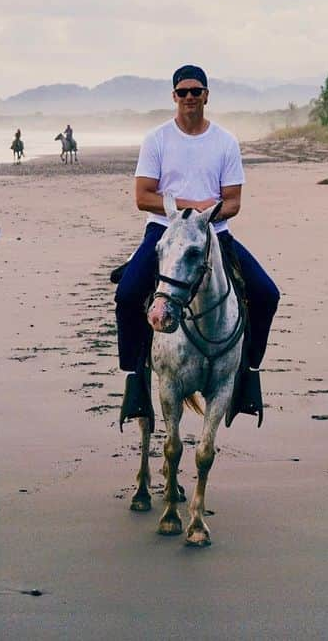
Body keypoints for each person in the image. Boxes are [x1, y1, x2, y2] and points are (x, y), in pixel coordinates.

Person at [115, 65, 280, 425]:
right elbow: (143, 196)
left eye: (196, 91)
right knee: (128, 295)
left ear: (207, 95)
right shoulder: (157, 139)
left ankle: (247, 375)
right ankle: (135, 381)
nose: (190, 97)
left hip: (214, 233)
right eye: (183, 91)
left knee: (267, 294)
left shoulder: (224, 142)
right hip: (165, 232)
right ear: (174, 96)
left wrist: (205, 215)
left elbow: (233, 202)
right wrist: (185, 209)